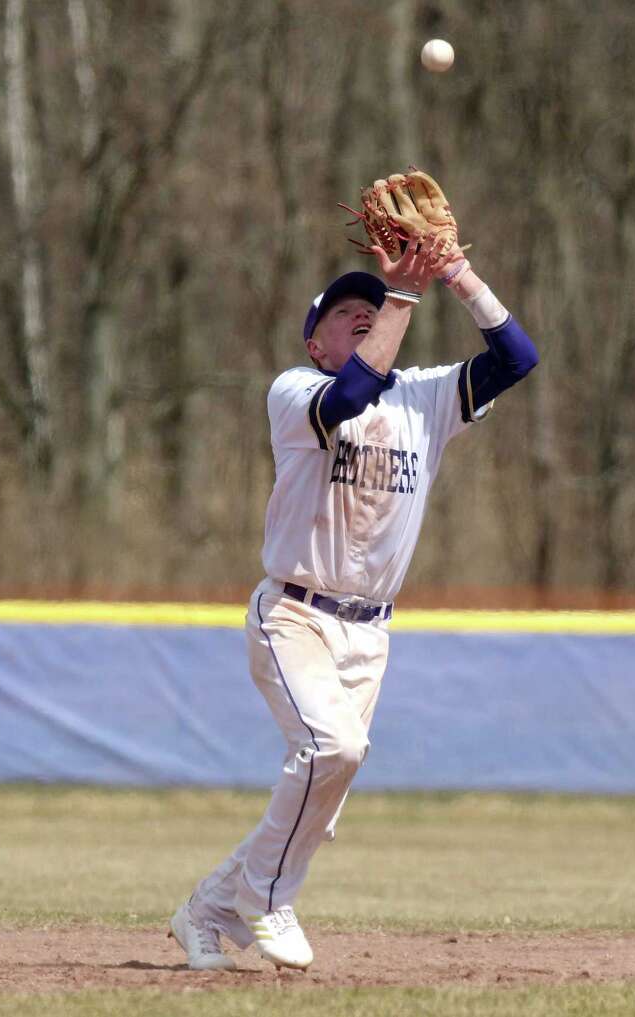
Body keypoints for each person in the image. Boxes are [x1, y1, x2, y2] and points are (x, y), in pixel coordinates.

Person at [168, 227, 539, 971]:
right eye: (345, 311)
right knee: (330, 750)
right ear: (315, 342)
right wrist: (403, 291)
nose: (364, 312)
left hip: (371, 631)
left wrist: (458, 273)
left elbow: (517, 358)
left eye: (372, 304)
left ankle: (206, 907)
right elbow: (351, 394)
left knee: (320, 802)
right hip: (296, 613)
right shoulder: (296, 392)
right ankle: (266, 901)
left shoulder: (425, 397)